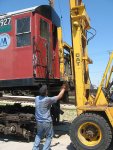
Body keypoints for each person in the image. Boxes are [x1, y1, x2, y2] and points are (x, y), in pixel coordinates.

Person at [32, 83, 67, 150]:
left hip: (38, 121)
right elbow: (59, 96)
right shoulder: (48, 100)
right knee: (49, 136)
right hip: (46, 121)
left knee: (39, 134)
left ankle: (35, 148)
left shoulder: (36, 98)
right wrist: (63, 89)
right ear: (46, 92)